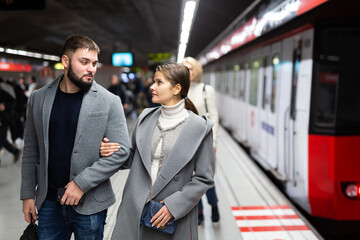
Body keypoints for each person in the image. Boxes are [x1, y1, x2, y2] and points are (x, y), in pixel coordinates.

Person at [20, 34, 131, 240]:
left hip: (90, 205)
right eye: (84, 62)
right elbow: (31, 151)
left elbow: (122, 151)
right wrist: (27, 194)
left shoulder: (109, 101)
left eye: (94, 63)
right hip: (49, 202)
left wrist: (81, 183)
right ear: (65, 61)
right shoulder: (39, 98)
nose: (92, 68)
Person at [100, 62, 215, 239]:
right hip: (135, 209)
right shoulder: (146, 117)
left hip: (171, 215)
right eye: (154, 82)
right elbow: (132, 156)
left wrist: (173, 206)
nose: (152, 87)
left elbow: (204, 178)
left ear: (176, 89)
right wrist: (113, 149)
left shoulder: (200, 127)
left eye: (159, 82)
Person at [182, 56, 220, 225]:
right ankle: (199, 212)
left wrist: (214, 143)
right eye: (183, 68)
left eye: (189, 68)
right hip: (186, 141)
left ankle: (214, 205)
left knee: (206, 178)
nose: (186, 72)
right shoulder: (179, 89)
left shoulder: (206, 90)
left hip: (204, 141)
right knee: (191, 180)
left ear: (196, 70)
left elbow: (214, 116)